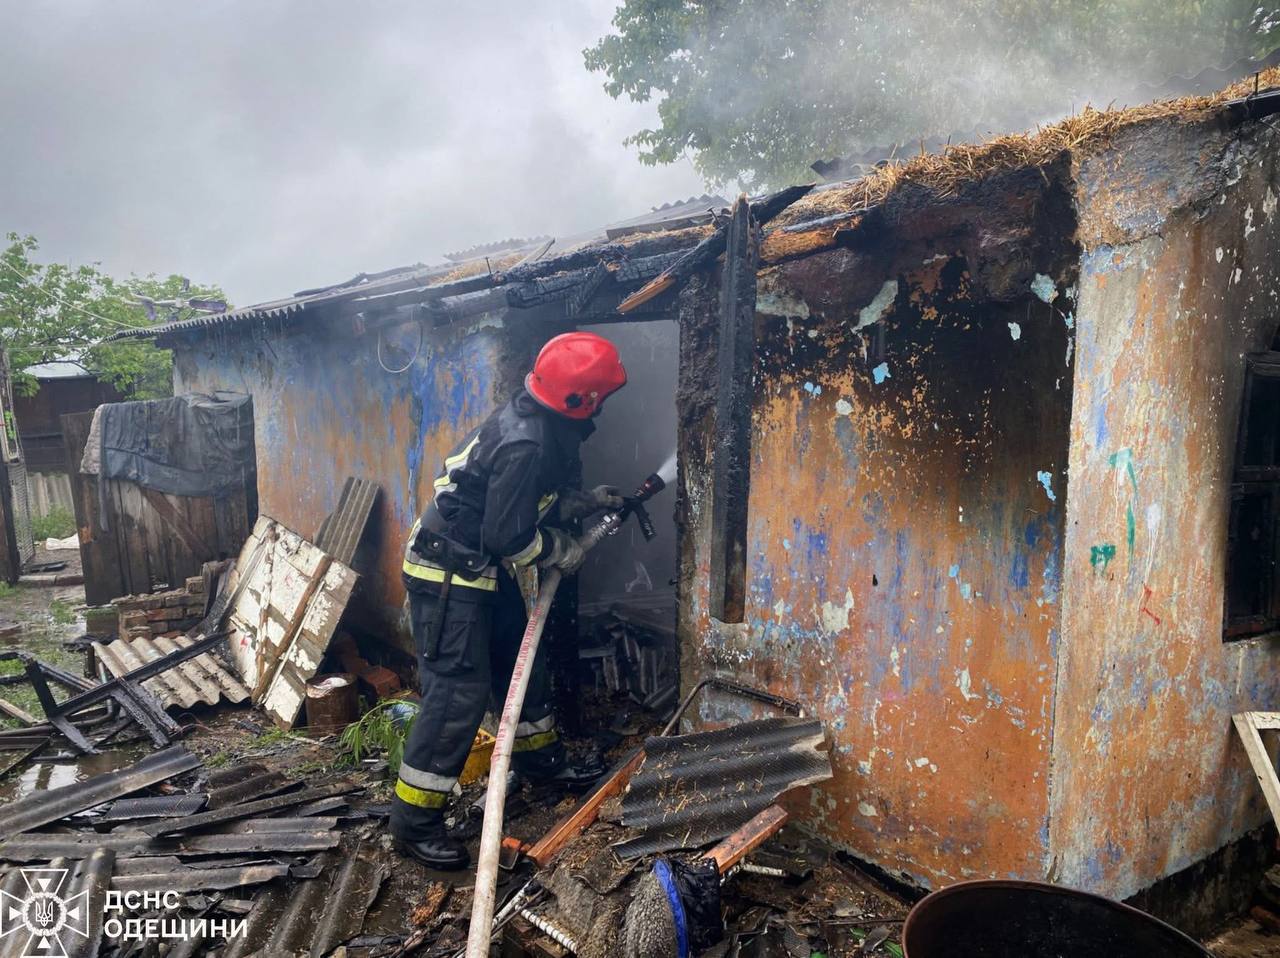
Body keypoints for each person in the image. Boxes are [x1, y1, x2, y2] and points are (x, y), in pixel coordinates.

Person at [390, 331, 628, 869]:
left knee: (520, 666)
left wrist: (583, 502)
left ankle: (538, 762)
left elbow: (522, 500)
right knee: (457, 695)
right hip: (448, 577)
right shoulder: (527, 441)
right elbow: (509, 536)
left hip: (477, 572)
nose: (602, 409)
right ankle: (413, 823)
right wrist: (562, 549)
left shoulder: (536, 422)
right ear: (578, 400)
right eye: (599, 399)